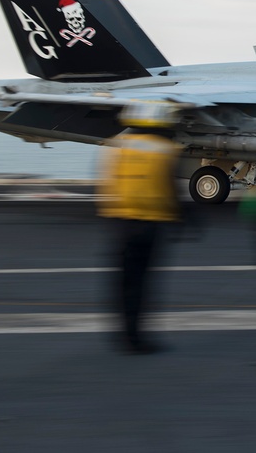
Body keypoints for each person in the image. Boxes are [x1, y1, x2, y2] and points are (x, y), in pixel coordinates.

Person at [97, 101, 185, 355]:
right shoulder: (166, 149)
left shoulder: (115, 145)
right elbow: (171, 189)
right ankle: (138, 338)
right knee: (143, 283)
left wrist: (110, 215)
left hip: (121, 223)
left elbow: (108, 183)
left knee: (124, 281)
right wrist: (182, 219)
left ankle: (124, 333)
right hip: (152, 224)